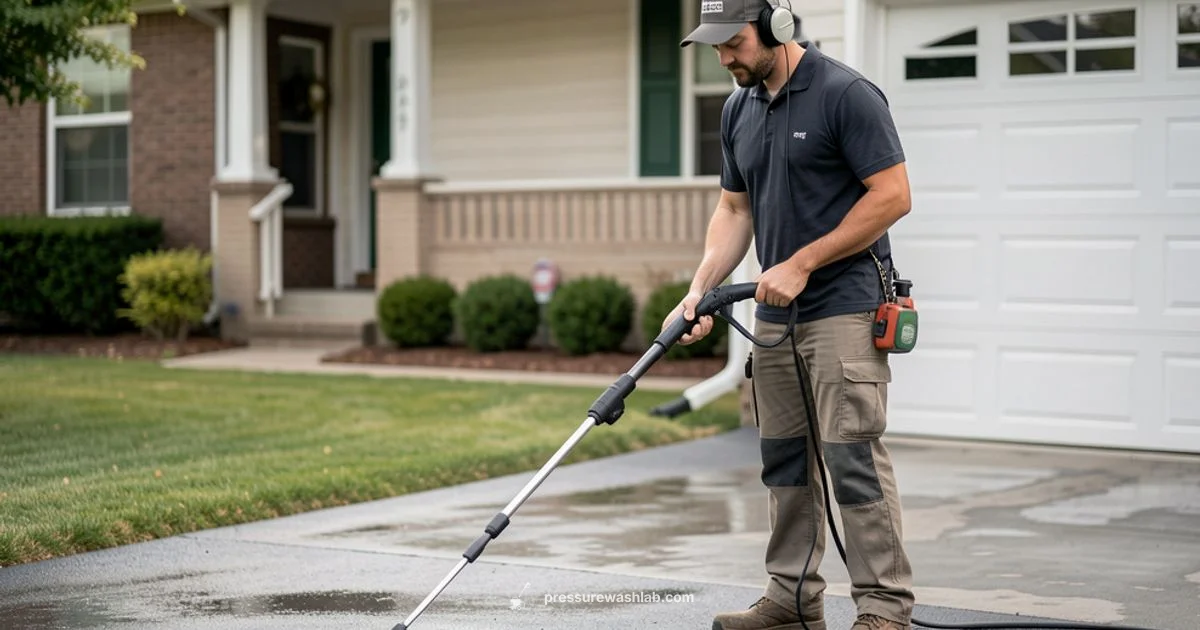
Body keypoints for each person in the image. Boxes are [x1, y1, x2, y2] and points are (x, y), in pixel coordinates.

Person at [666, 1, 916, 629]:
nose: (724, 59)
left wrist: (803, 261)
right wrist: (700, 287)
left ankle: (884, 610)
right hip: (774, 317)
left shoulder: (845, 95)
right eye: (715, 47)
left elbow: (893, 197)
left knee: (852, 458)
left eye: (734, 44)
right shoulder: (737, 109)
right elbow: (734, 211)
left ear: (777, 28)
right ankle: (792, 598)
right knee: (782, 459)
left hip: (844, 309)